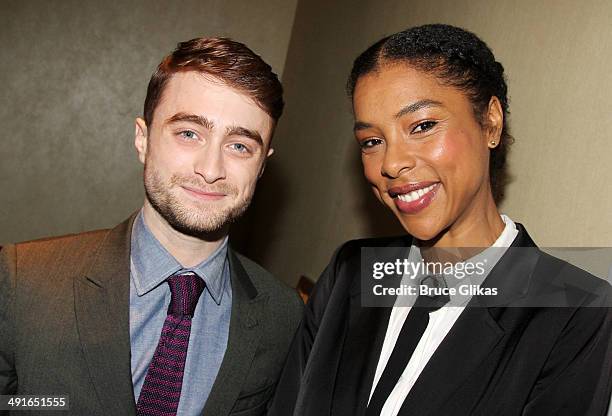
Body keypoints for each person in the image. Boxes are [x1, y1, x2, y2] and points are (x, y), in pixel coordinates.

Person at [268, 24, 612, 416]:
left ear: (491, 123)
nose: (392, 163)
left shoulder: (574, 310)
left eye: (423, 126)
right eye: (372, 141)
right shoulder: (352, 271)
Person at [0, 37, 303, 416]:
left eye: (240, 145)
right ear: (142, 139)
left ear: (261, 166)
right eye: (189, 133)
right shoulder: (24, 279)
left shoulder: (283, 316)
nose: (210, 170)